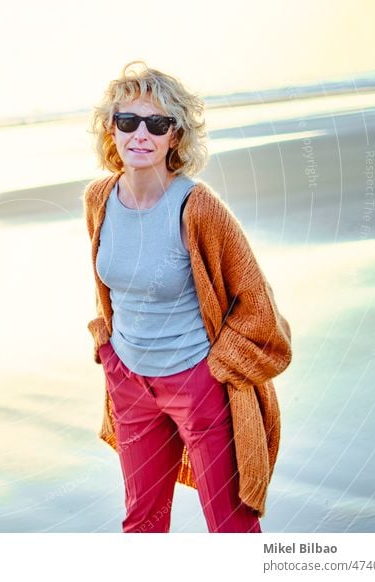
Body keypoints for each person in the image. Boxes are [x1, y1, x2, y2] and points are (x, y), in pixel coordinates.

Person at [82, 61, 292, 533]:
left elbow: (258, 306)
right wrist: (107, 345)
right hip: (130, 382)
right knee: (142, 523)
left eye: (156, 124)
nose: (141, 134)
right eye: (127, 121)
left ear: (174, 137)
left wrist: (216, 368)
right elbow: (114, 284)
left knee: (231, 525)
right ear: (110, 130)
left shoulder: (197, 207)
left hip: (196, 382)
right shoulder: (99, 199)